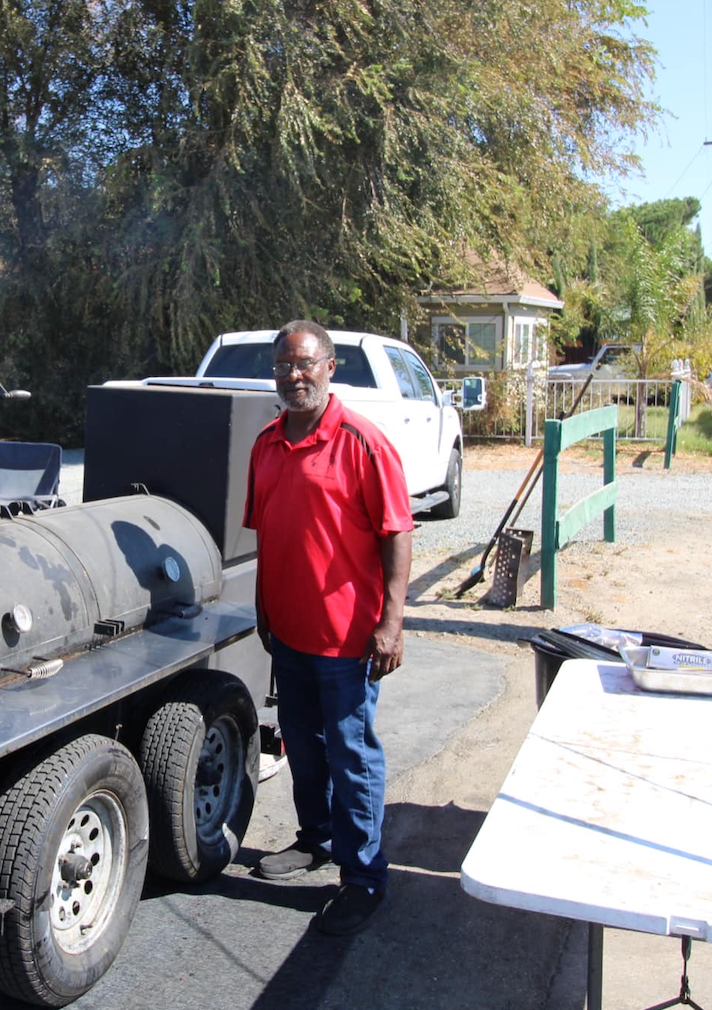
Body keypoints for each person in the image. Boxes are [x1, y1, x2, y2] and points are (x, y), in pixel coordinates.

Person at [244, 319, 414, 936]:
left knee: (352, 753)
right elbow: (269, 533)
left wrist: (391, 624)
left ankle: (364, 876)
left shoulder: (363, 443)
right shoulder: (265, 445)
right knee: (303, 747)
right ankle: (313, 838)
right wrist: (264, 608)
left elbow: (397, 533)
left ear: (330, 367)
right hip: (288, 633)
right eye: (284, 366)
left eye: (305, 364)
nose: (294, 376)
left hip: (348, 640)